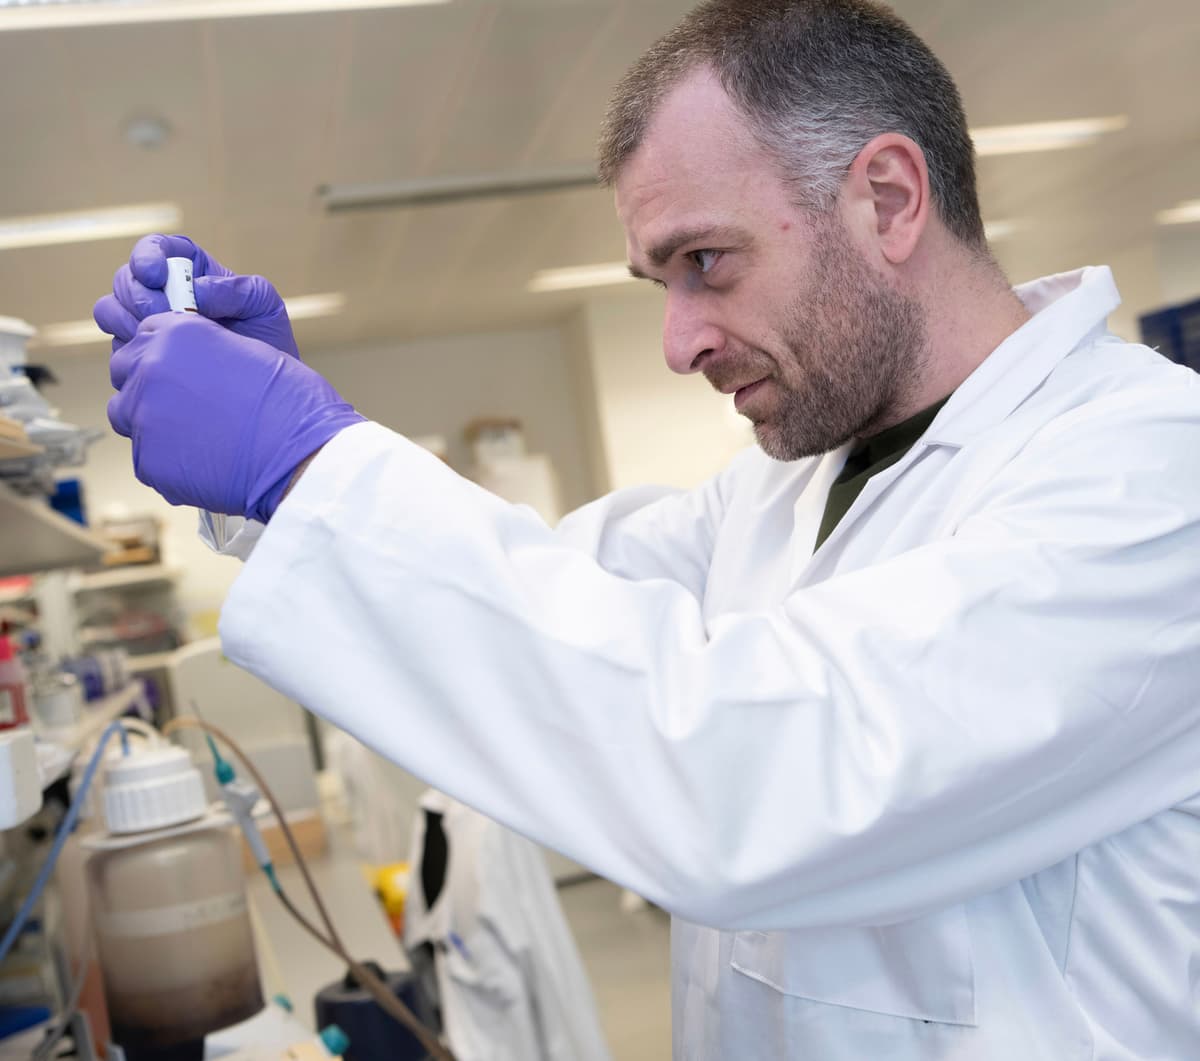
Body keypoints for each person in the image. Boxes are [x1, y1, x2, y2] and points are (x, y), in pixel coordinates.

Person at [94, 1, 1200, 1057]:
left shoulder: (1145, 472)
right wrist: (294, 478)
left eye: (704, 262)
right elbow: (544, 612)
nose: (679, 341)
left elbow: (753, 774)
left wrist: (313, 459)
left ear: (891, 198)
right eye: (659, 279)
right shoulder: (785, 483)